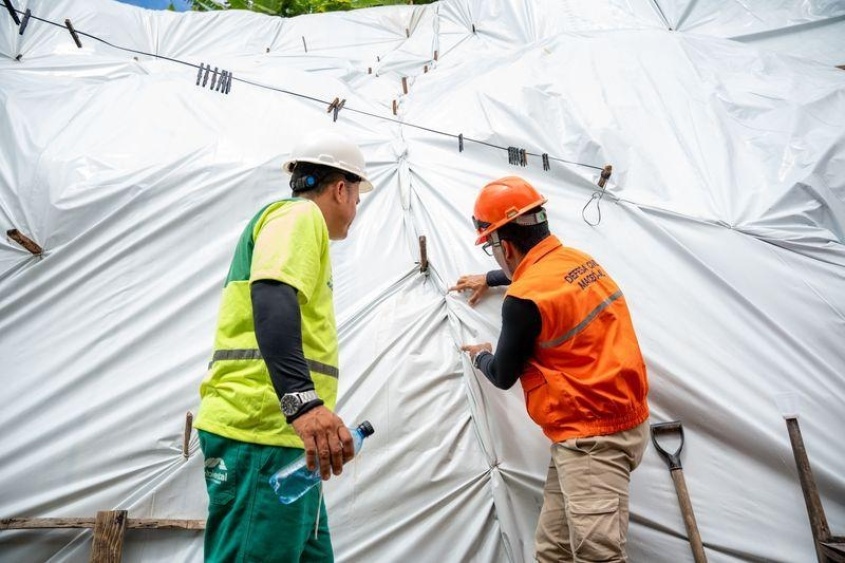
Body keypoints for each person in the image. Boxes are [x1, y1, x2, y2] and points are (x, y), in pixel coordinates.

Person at [194, 129, 374, 562]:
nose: (355, 207)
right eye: (357, 196)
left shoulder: (299, 228)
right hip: (261, 434)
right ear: (340, 188)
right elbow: (272, 295)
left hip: (284, 443)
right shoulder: (299, 217)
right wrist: (303, 403)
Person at [451, 176, 649, 563]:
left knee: (597, 556)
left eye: (491, 248)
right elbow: (535, 271)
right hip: (613, 421)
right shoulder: (579, 261)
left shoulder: (524, 300)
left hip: (593, 440)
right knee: (553, 550)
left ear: (505, 246)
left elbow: (502, 375)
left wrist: (480, 355)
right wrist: (490, 278)